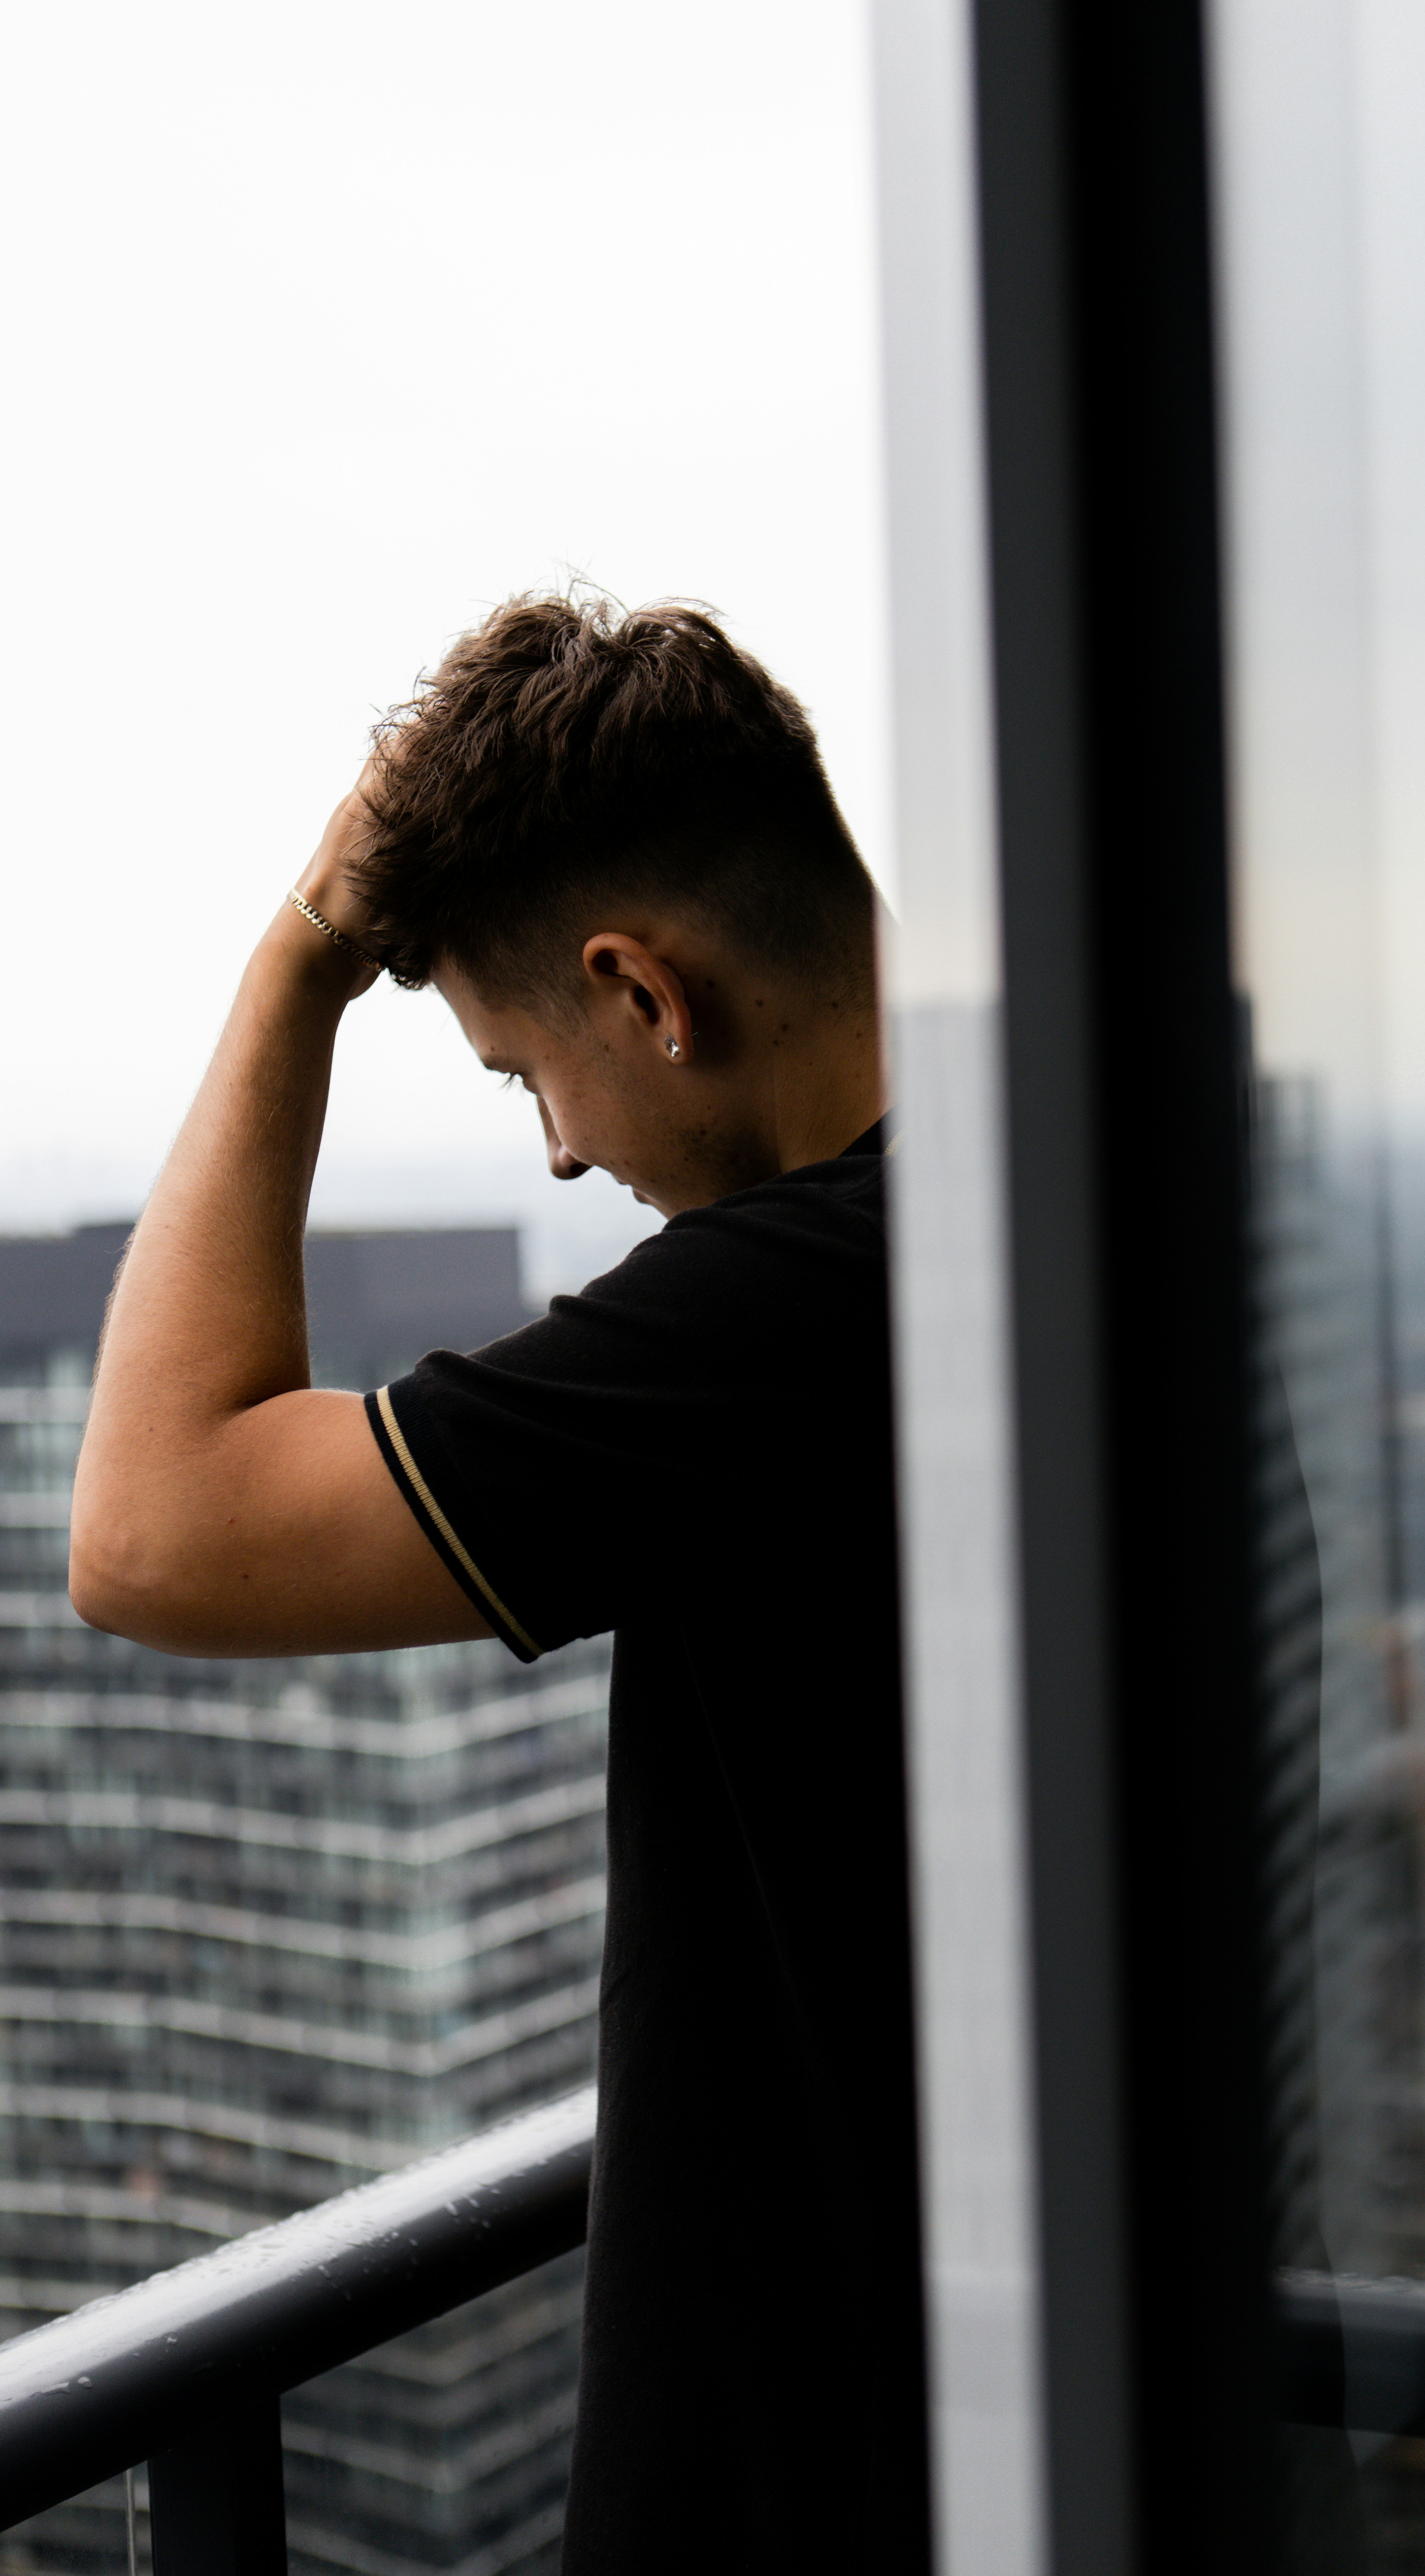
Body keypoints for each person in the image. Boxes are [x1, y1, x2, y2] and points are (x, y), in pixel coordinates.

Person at [69, 596, 928, 2572]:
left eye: (519, 1070)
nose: (554, 1155)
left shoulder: (810, 1304)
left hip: (843, 2487)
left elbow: (147, 1534)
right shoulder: (1067, 1183)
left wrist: (299, 961)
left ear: (647, 991)